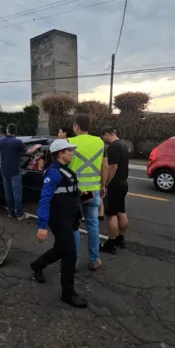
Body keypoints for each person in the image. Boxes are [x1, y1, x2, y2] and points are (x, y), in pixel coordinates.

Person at [30, 139, 87, 308]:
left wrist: (80, 193)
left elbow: (66, 193)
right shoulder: (53, 173)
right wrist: (42, 226)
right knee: (69, 254)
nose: (73, 153)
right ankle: (67, 293)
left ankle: (37, 265)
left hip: (69, 216)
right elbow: (45, 199)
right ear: (61, 153)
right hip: (58, 219)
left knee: (61, 249)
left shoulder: (65, 170)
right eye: (70, 150)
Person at [68, 113, 108, 271]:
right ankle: (94, 260)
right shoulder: (99, 142)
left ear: (76, 126)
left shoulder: (69, 142)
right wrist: (103, 186)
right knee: (93, 225)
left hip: (75, 193)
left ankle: (74, 262)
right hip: (93, 191)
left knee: (74, 226)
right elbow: (104, 167)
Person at [0, 123, 42, 219]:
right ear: (16, 132)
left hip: (4, 170)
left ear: (7, 130)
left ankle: (10, 212)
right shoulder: (18, 142)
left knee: (8, 193)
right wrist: (35, 147)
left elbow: (13, 151)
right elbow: (27, 152)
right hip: (15, 171)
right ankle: (20, 214)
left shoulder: (1, 141)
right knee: (17, 193)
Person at [99, 127, 130, 254]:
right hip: (123, 183)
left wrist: (105, 184)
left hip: (114, 185)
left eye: (103, 137)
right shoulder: (123, 145)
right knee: (121, 212)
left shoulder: (112, 147)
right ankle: (120, 239)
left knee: (111, 215)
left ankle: (110, 244)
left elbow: (112, 167)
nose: (103, 140)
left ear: (106, 135)